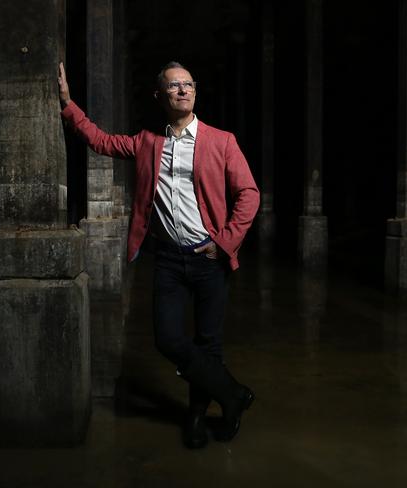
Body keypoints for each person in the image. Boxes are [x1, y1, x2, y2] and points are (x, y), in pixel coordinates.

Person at [58, 61, 259, 448]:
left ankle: (199, 419)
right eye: (173, 86)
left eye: (188, 84)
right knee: (167, 339)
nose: (182, 90)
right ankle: (233, 393)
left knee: (208, 343)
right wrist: (69, 104)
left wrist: (226, 242)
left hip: (209, 259)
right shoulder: (148, 143)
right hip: (168, 259)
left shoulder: (222, 141)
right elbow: (101, 141)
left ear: (195, 92)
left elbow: (249, 195)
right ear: (160, 95)